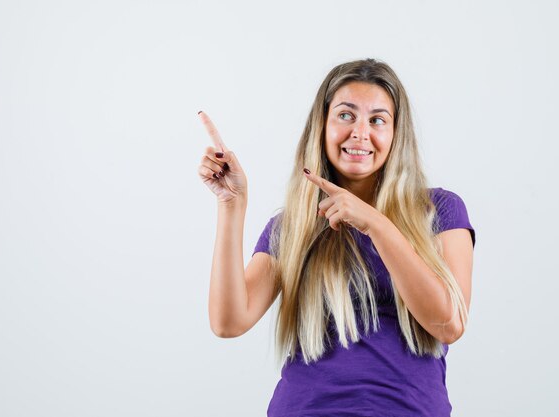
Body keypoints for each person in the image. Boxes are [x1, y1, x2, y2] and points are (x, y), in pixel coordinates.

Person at [197, 58, 476, 417]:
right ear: (323, 125)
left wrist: (376, 223)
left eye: (377, 120)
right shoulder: (294, 225)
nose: (360, 132)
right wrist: (231, 205)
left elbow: (449, 324)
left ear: (396, 134)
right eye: (346, 115)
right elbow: (228, 322)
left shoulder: (440, 211)